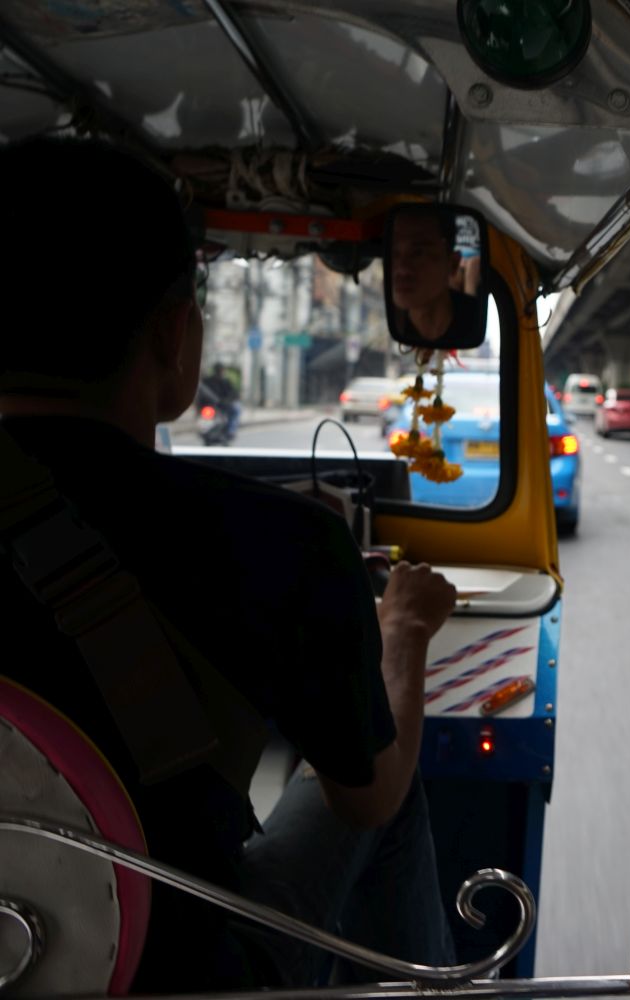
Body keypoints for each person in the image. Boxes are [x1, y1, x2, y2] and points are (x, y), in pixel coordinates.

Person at [0, 137, 459, 990]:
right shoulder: (284, 544)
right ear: (174, 335)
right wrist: (401, 630)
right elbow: (366, 798)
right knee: (389, 790)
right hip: (181, 975)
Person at [389, 207, 481, 345]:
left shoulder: (474, 317)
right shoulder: (395, 322)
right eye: (393, 254)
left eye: (418, 252)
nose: (402, 269)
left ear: (453, 263)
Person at [202, 361, 241, 436]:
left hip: (213, 405)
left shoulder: (208, 380)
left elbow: (233, 393)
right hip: (219, 405)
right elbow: (233, 393)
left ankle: (229, 430)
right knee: (235, 410)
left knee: (235, 409)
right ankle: (230, 431)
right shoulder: (224, 381)